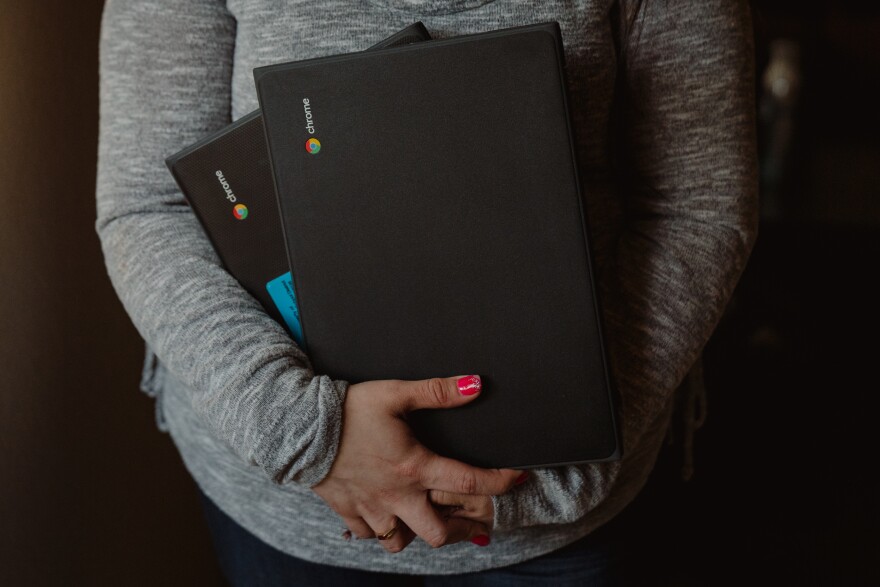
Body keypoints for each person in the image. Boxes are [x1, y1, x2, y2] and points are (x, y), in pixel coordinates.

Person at [96, 0, 758, 584]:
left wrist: (558, 455)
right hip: (286, 504)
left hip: (556, 513)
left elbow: (698, 210)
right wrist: (307, 435)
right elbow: (148, 208)